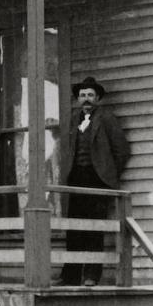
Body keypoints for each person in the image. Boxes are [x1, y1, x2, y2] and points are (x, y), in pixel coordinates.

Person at [59, 75, 130, 286]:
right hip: (76, 178)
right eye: (82, 95)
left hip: (96, 179)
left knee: (93, 228)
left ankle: (91, 275)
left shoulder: (106, 118)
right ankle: (70, 276)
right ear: (77, 99)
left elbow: (122, 150)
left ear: (97, 98)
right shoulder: (74, 119)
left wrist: (108, 174)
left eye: (90, 95)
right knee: (74, 228)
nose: (86, 99)